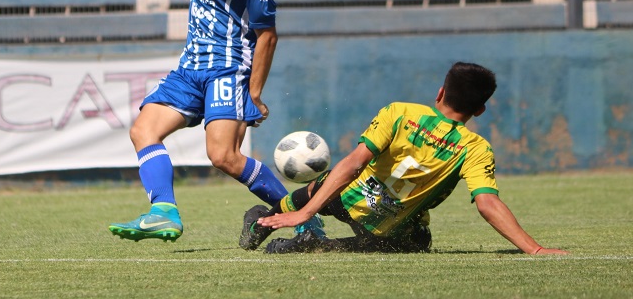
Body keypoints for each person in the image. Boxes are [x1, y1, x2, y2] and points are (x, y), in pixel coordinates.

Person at [99, 0, 324, 243]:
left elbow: (267, 36)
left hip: (227, 68)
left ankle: (305, 220)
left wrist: (254, 93)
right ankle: (163, 211)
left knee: (224, 157)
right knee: (142, 131)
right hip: (190, 68)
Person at [240, 62, 569, 255]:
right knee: (417, 240)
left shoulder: (400, 113)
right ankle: (319, 245)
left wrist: (307, 210)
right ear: (480, 109)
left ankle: (264, 219)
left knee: (323, 186)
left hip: (344, 199)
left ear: (440, 92)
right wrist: (536, 250)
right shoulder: (475, 147)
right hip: (386, 226)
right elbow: (487, 204)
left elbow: (353, 163)